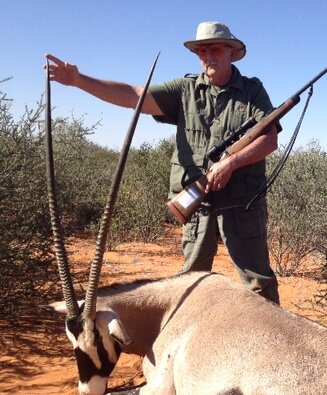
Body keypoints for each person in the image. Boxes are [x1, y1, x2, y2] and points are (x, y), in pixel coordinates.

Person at [47, 21, 280, 304]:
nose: (207, 56)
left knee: (259, 284)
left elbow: (269, 141)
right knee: (190, 282)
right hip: (198, 202)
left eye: (215, 49)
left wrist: (231, 163)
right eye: (201, 51)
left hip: (242, 204)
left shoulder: (253, 91)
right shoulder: (184, 89)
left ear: (231, 52)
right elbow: (135, 95)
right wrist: (79, 80)